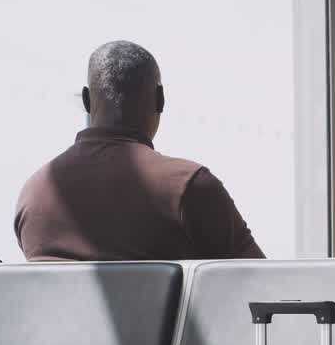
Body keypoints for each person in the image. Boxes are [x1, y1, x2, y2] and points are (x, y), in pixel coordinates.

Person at [14, 40, 263, 261]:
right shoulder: (188, 186)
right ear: (161, 99)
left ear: (87, 101)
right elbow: (262, 288)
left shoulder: (34, 195)